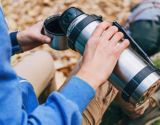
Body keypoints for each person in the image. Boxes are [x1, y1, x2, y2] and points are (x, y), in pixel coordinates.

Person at [0, 4, 129, 125]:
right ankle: (141, 114)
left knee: (43, 59)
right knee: (110, 64)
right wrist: (88, 77)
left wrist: (14, 41)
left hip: (18, 96)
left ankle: (47, 104)